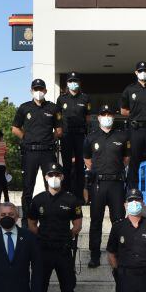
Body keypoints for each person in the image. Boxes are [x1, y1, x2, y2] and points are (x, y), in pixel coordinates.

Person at [27, 164, 83, 292]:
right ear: (45, 177)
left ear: (62, 176)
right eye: (51, 174)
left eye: (57, 174)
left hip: (63, 252)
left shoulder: (71, 199)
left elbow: (77, 224)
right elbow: (31, 223)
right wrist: (42, 237)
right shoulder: (38, 200)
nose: (54, 177)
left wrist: (67, 236)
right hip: (43, 252)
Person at [84, 104, 129, 269]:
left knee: (118, 220)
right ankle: (94, 255)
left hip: (116, 183)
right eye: (103, 114)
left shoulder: (122, 136)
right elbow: (87, 160)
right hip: (98, 184)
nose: (107, 117)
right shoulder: (91, 137)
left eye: (109, 114)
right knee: (96, 220)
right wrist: (98, 172)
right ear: (99, 117)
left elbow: (126, 159)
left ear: (113, 116)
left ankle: (117, 251)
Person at [12, 78, 62, 224]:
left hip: (47, 151)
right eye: (36, 89)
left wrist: (48, 139)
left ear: (45, 91)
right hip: (30, 152)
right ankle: (27, 220)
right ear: (31, 91)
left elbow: (59, 131)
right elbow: (15, 128)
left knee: (52, 185)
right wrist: (26, 138)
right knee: (28, 187)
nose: (38, 92)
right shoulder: (24, 107)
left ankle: (50, 217)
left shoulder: (53, 108)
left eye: (41, 89)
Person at [120, 61, 146, 189]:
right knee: (134, 163)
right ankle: (132, 194)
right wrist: (136, 115)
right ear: (136, 72)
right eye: (140, 71)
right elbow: (123, 110)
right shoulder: (130, 89)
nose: (142, 73)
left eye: (145, 70)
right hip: (135, 129)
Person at [57, 72, 91, 200]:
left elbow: (87, 118)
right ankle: (65, 195)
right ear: (67, 83)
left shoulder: (85, 98)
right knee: (66, 166)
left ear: (79, 83)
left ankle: (79, 197)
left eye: (75, 80)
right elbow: (58, 119)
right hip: (66, 136)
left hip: (80, 135)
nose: (73, 83)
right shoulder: (61, 99)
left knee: (80, 168)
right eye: (71, 81)